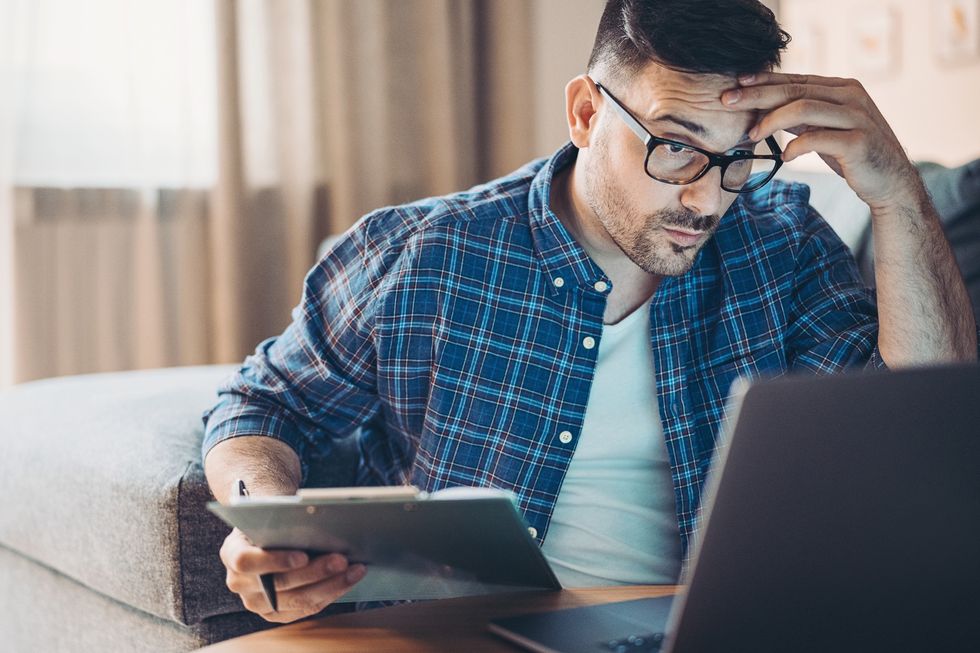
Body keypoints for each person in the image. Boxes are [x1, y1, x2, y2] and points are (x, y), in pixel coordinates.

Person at [202, 0, 979, 624]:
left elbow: (924, 435)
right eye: (675, 146)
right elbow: (264, 403)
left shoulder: (784, 246)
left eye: (739, 156)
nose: (706, 198)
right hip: (461, 636)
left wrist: (896, 193)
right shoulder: (423, 251)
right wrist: (264, 522)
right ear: (584, 113)